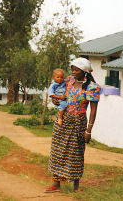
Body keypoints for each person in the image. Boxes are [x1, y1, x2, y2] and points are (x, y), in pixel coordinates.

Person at [45, 57, 101, 193]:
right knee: (57, 150)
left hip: (79, 122)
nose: (73, 72)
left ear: (85, 72)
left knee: (76, 153)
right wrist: (55, 100)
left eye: (76, 70)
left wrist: (89, 130)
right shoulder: (69, 81)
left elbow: (93, 110)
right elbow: (57, 91)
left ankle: (76, 186)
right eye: (72, 69)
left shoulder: (92, 87)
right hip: (63, 120)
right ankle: (56, 184)